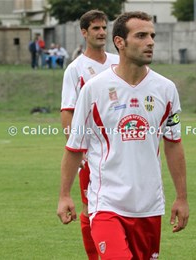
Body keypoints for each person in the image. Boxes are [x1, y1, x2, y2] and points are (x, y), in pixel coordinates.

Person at [57, 11, 189, 260]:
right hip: (107, 204)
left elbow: (173, 144)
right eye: (140, 35)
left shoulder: (166, 89)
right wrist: (64, 195)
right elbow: (75, 147)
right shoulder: (94, 89)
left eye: (152, 35)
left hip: (149, 206)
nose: (150, 41)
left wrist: (182, 198)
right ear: (120, 42)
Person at [59, 10, 119, 260]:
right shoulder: (76, 69)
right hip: (93, 151)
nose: (102, 32)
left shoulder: (118, 61)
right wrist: (78, 149)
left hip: (121, 146)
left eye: (104, 28)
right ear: (84, 33)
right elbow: (68, 111)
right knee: (90, 206)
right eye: (95, 28)